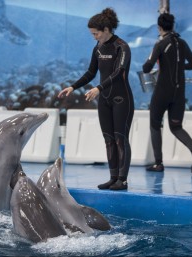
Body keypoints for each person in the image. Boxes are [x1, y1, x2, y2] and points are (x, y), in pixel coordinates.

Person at [58, 8, 134, 190]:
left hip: (121, 99)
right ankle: (113, 177)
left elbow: (119, 72)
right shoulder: (98, 48)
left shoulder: (121, 47)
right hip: (104, 100)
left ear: (107, 29)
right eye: (92, 34)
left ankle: (122, 180)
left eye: (96, 33)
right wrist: (73, 86)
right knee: (108, 139)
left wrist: (99, 88)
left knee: (120, 139)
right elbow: (91, 72)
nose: (94, 37)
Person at [142, 13, 192, 173]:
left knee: (155, 125)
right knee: (176, 127)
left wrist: (152, 60)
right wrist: (179, 67)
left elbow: (146, 68)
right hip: (179, 93)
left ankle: (158, 163)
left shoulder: (160, 44)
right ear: (173, 26)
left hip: (162, 91)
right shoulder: (182, 43)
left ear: (159, 27)